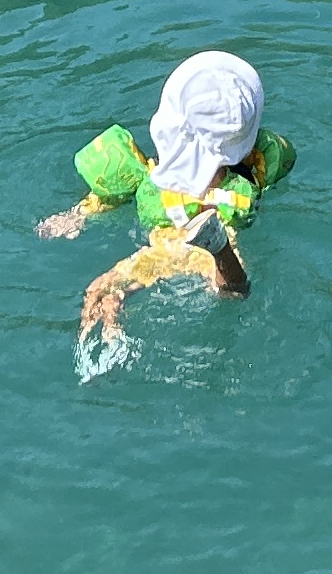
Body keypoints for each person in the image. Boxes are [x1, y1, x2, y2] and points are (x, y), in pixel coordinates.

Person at [39, 50, 296, 351]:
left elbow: (115, 193)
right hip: (220, 218)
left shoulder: (151, 176)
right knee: (232, 289)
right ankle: (217, 247)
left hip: (164, 231)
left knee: (121, 280)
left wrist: (79, 213)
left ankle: (115, 309)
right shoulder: (252, 171)